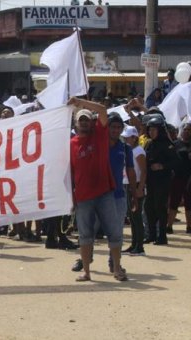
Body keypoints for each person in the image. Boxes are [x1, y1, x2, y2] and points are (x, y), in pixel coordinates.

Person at [69, 97, 127, 282]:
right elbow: (69, 172)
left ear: (91, 122)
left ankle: (116, 269)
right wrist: (71, 197)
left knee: (114, 233)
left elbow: (102, 110)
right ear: (76, 124)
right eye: (81, 120)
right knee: (85, 236)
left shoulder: (100, 135)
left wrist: (80, 102)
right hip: (83, 197)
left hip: (104, 194)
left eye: (87, 119)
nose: (84, 122)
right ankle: (86, 272)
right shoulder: (71, 144)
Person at [143, 116, 178, 245]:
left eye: (154, 129)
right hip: (150, 180)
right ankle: (151, 234)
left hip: (162, 180)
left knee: (160, 207)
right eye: (150, 129)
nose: (151, 132)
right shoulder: (149, 143)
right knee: (149, 207)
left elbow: (176, 161)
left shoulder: (167, 144)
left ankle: (162, 236)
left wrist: (162, 166)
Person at [121, 126, 147, 255]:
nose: (125, 139)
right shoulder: (128, 150)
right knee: (132, 217)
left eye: (128, 137)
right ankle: (134, 244)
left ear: (134, 137)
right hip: (127, 184)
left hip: (135, 184)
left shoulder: (138, 151)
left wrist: (140, 188)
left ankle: (140, 246)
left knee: (136, 217)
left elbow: (143, 171)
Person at [167, 123, 191, 234]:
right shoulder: (175, 144)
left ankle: (189, 227)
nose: (186, 132)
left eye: (189, 130)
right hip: (177, 178)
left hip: (190, 178)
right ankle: (169, 226)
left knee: (189, 203)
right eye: (185, 129)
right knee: (173, 202)